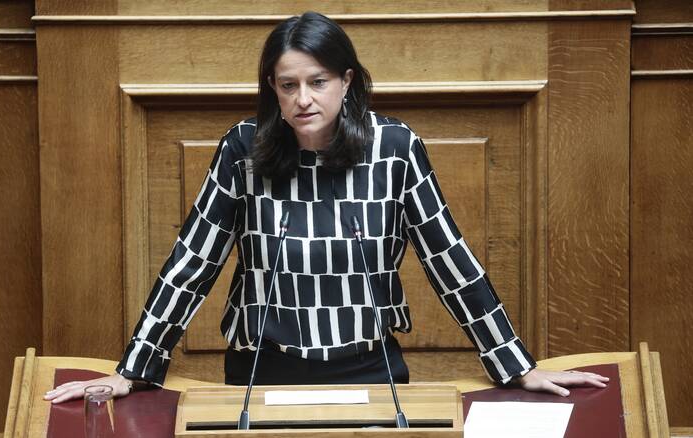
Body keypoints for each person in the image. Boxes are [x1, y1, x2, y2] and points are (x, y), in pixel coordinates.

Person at [46, 11, 608, 404]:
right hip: (262, 368)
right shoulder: (244, 148)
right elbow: (193, 262)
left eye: (318, 81)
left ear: (347, 81)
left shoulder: (394, 148)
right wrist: (135, 370)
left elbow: (450, 262)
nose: (303, 99)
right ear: (272, 87)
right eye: (288, 85)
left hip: (369, 367)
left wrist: (514, 365)